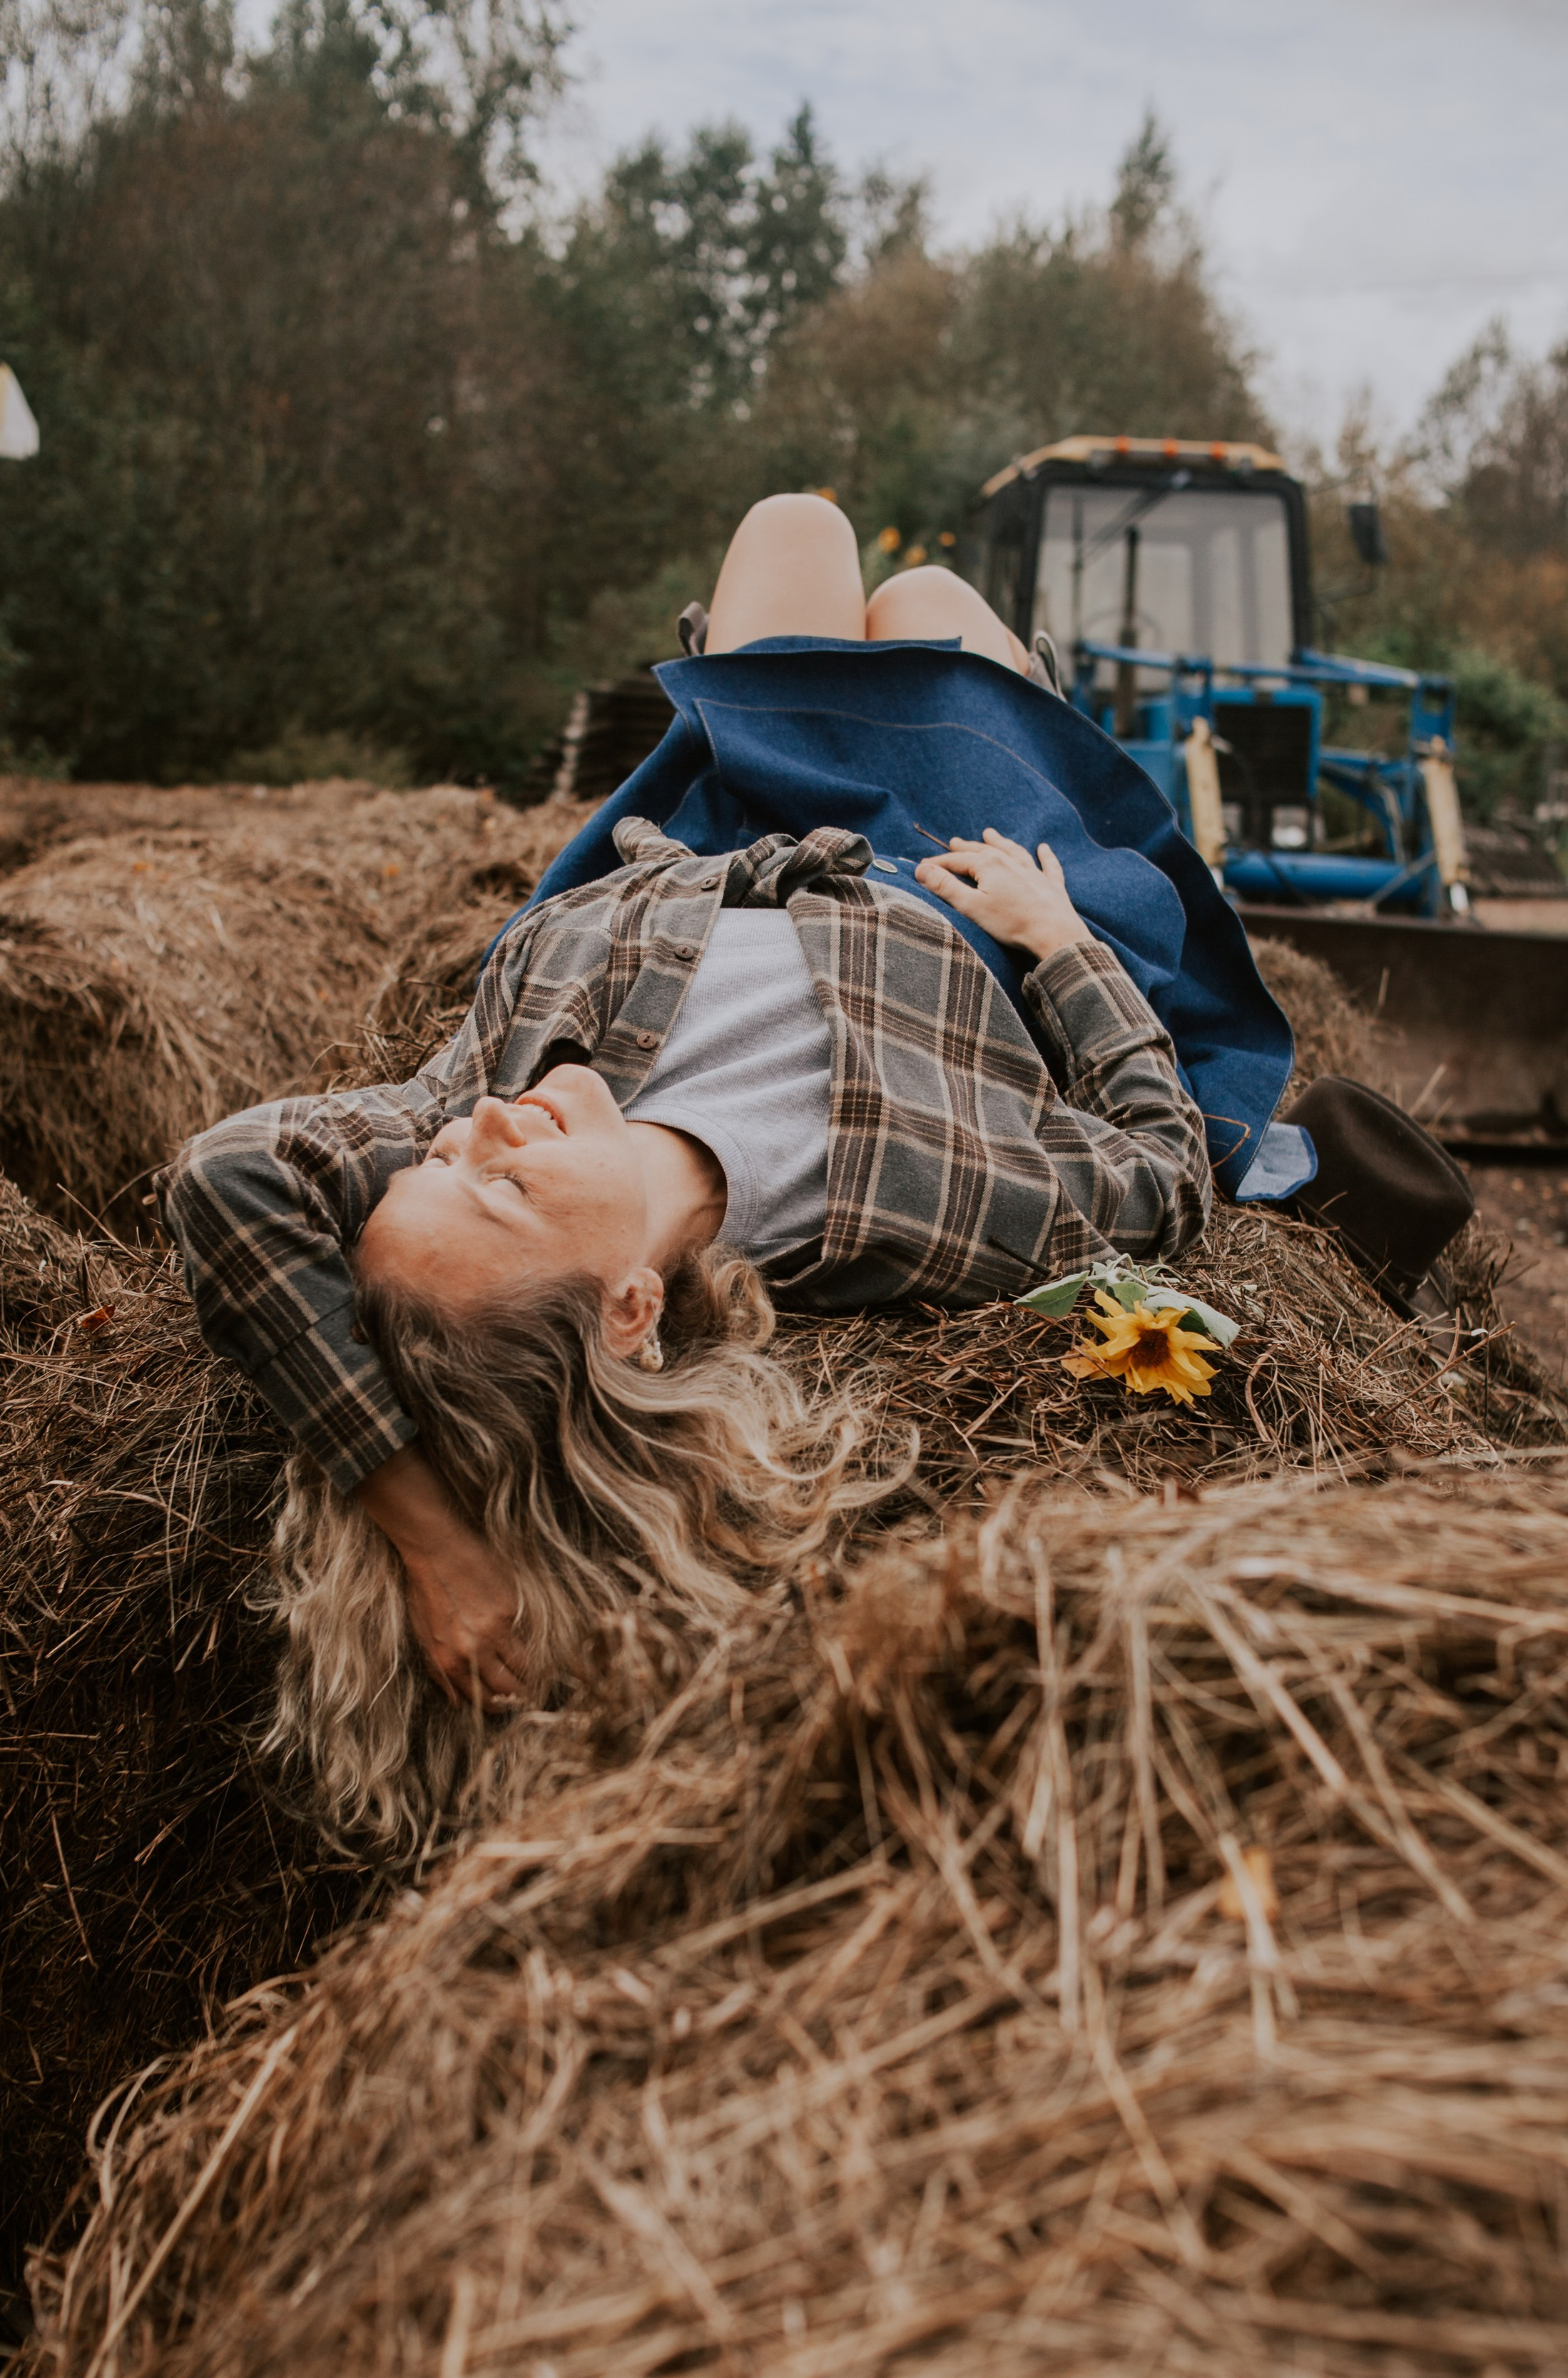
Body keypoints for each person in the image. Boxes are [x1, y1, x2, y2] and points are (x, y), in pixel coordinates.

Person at [163, 494, 1261, 1838]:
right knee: (922, 604)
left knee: (799, 520)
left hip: (733, 811)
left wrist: (431, 1535)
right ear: (630, 1307)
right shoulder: (921, 1201)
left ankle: (911, 684)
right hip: (955, 861)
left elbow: (227, 1178)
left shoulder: (498, 1083)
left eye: (441, 1153)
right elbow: (1164, 1169)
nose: (488, 1126)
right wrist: (1060, 942)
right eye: (500, 1189)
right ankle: (1019, 711)